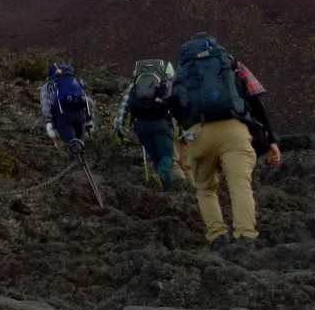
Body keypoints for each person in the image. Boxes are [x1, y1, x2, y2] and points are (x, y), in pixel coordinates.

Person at [168, 33, 280, 247]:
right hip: (235, 131)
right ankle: (245, 236)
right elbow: (255, 100)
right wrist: (271, 140)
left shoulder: (183, 70)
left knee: (206, 189)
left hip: (199, 133)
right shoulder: (232, 64)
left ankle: (217, 236)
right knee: (240, 184)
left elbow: (173, 103)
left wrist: (189, 128)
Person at [114, 60, 180, 190]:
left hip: (140, 124)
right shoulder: (164, 84)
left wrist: (120, 128)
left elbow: (123, 108)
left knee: (156, 158)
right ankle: (162, 181)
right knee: (166, 156)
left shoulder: (134, 86)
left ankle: (161, 187)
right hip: (160, 122)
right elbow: (173, 104)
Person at [42, 63, 94, 149]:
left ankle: (74, 157)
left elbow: (46, 104)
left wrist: (48, 122)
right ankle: (82, 157)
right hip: (80, 114)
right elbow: (89, 102)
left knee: (71, 144)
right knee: (78, 142)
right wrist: (89, 118)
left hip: (62, 115)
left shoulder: (49, 85)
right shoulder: (77, 82)